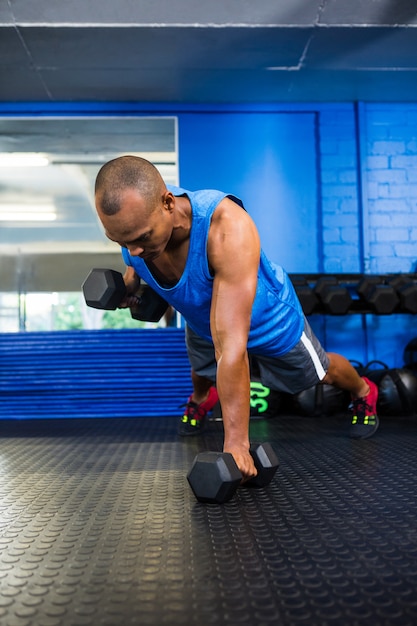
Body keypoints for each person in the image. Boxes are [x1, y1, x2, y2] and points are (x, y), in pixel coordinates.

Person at [94, 155, 379, 482]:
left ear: (168, 203)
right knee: (201, 367)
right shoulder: (137, 221)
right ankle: (203, 398)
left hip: (266, 317)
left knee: (317, 372)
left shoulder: (227, 229)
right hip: (200, 314)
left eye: (142, 238)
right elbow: (135, 264)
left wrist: (236, 443)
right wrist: (127, 288)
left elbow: (231, 348)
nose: (133, 250)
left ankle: (362, 391)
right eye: (119, 241)